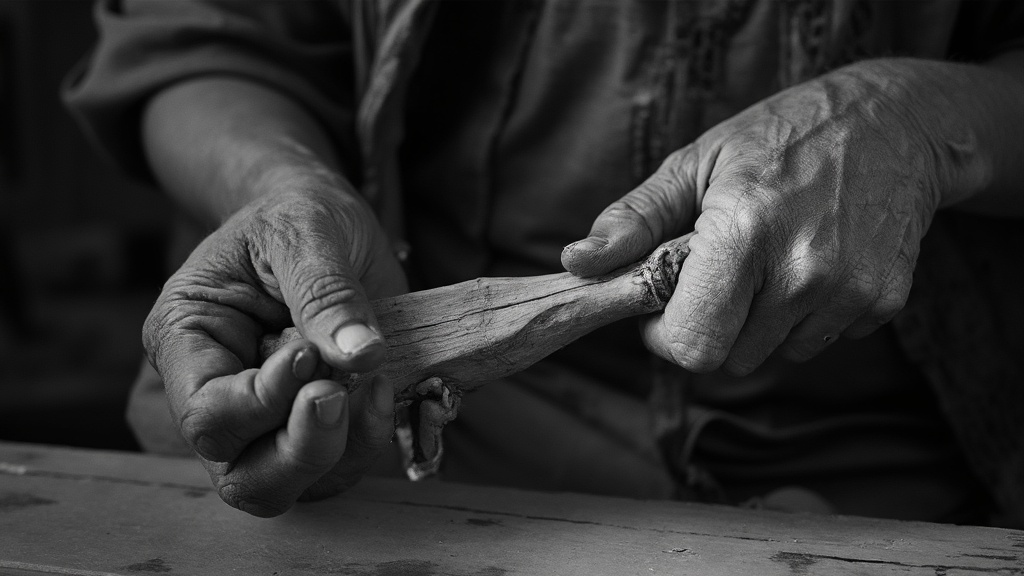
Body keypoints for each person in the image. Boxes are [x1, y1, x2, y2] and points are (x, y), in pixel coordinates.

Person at [65, 0, 1023, 525]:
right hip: (433, 472)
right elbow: (195, 35)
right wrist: (285, 188)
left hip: (903, 484)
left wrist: (931, 123)